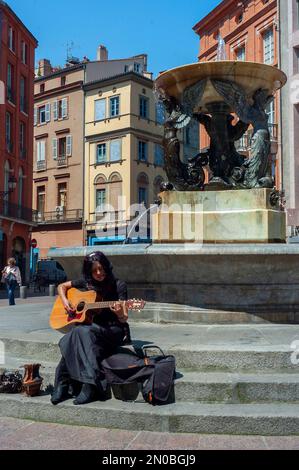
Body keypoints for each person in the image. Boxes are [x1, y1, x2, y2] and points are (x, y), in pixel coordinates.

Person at [51, 251, 131, 406]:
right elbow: (62, 286)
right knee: (80, 332)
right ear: (89, 271)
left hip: (113, 331)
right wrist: (66, 301)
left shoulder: (119, 285)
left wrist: (119, 312)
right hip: (90, 332)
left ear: (107, 267)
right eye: (94, 271)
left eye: (102, 269)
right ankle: (71, 385)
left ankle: (72, 383)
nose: (99, 273)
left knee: (77, 332)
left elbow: (124, 318)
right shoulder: (87, 284)